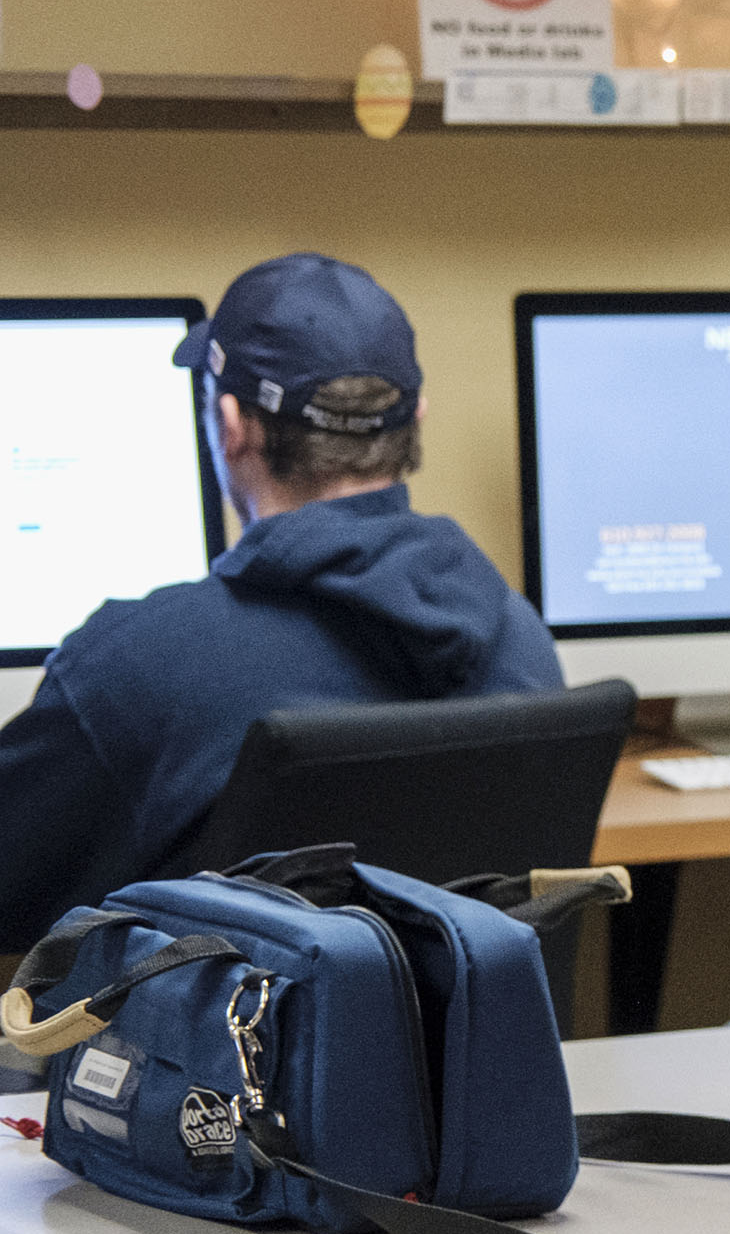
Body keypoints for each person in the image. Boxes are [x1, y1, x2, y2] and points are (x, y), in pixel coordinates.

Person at [0, 255, 559, 952]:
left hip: (222, 1060)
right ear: (415, 418)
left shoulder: (141, 663)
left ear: (232, 424)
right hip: (479, 1058)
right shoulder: (518, 637)